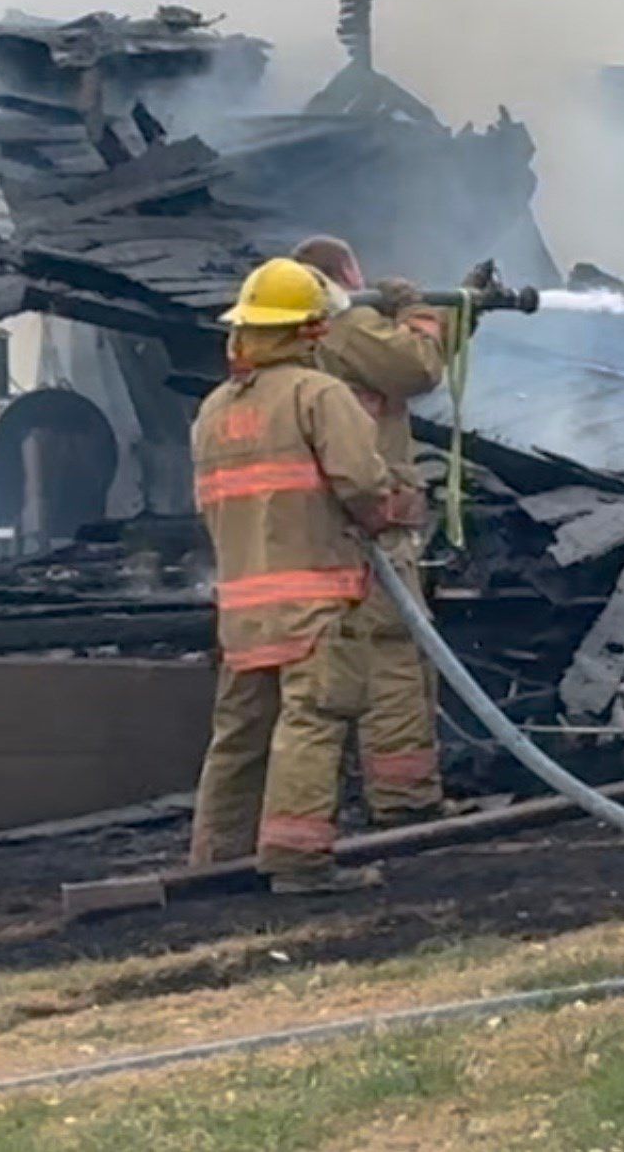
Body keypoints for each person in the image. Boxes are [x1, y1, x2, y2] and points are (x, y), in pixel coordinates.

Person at [188, 257, 426, 894]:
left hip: (242, 608)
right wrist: (393, 514)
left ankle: (215, 863)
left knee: (238, 736)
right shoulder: (318, 395)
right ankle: (297, 863)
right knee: (312, 721)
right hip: (317, 599)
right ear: (310, 331)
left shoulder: (214, 411)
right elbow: (362, 483)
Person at [290, 234, 452, 826]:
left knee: (328, 669)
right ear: (340, 277)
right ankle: (404, 800)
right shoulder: (342, 325)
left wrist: (460, 318)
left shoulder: (289, 345)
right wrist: (417, 313)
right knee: (394, 656)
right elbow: (414, 367)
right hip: (367, 530)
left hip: (310, 531)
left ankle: (321, 803)